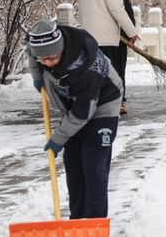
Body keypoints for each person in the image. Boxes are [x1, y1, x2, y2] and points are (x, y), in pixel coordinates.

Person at [26, 20, 124, 219]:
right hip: (74, 104)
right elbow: (31, 53)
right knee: (73, 165)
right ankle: (77, 220)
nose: (48, 63)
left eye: (52, 58)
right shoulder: (39, 49)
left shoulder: (87, 69)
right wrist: (37, 76)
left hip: (102, 107)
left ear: (61, 47)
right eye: (42, 60)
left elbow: (82, 113)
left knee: (93, 167)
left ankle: (94, 221)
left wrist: (58, 139)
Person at [78, 0, 140, 115]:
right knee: (113, 73)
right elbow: (118, 10)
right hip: (107, 38)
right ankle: (114, 104)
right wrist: (132, 32)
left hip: (90, 37)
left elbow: (81, 9)